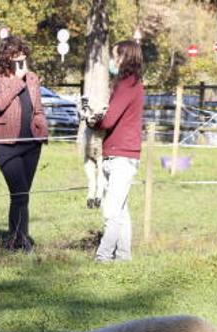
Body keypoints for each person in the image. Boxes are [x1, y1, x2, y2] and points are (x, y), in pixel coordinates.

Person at [0, 36, 49, 252]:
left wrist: (42, 127)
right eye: (16, 54)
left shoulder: (32, 78)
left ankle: (17, 241)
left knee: (22, 197)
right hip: (6, 145)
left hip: (31, 144)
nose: (21, 58)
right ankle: (20, 241)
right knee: (20, 193)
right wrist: (17, 79)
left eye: (23, 53)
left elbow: (38, 108)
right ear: (7, 57)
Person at [86, 40, 145, 262]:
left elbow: (109, 120)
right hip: (122, 154)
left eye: (114, 56)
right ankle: (123, 256)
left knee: (110, 211)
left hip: (121, 155)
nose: (112, 61)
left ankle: (103, 256)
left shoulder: (127, 84)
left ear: (124, 57)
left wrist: (94, 122)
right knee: (121, 210)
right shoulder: (132, 84)